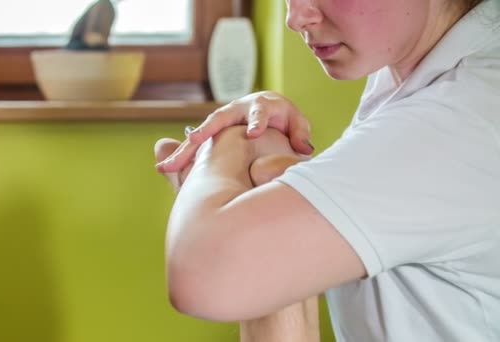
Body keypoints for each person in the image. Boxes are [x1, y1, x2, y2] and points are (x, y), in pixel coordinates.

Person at [154, 0, 500, 341]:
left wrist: (227, 146)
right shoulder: (408, 73)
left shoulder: (461, 115)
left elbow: (205, 275)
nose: (295, 18)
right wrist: (270, 166)